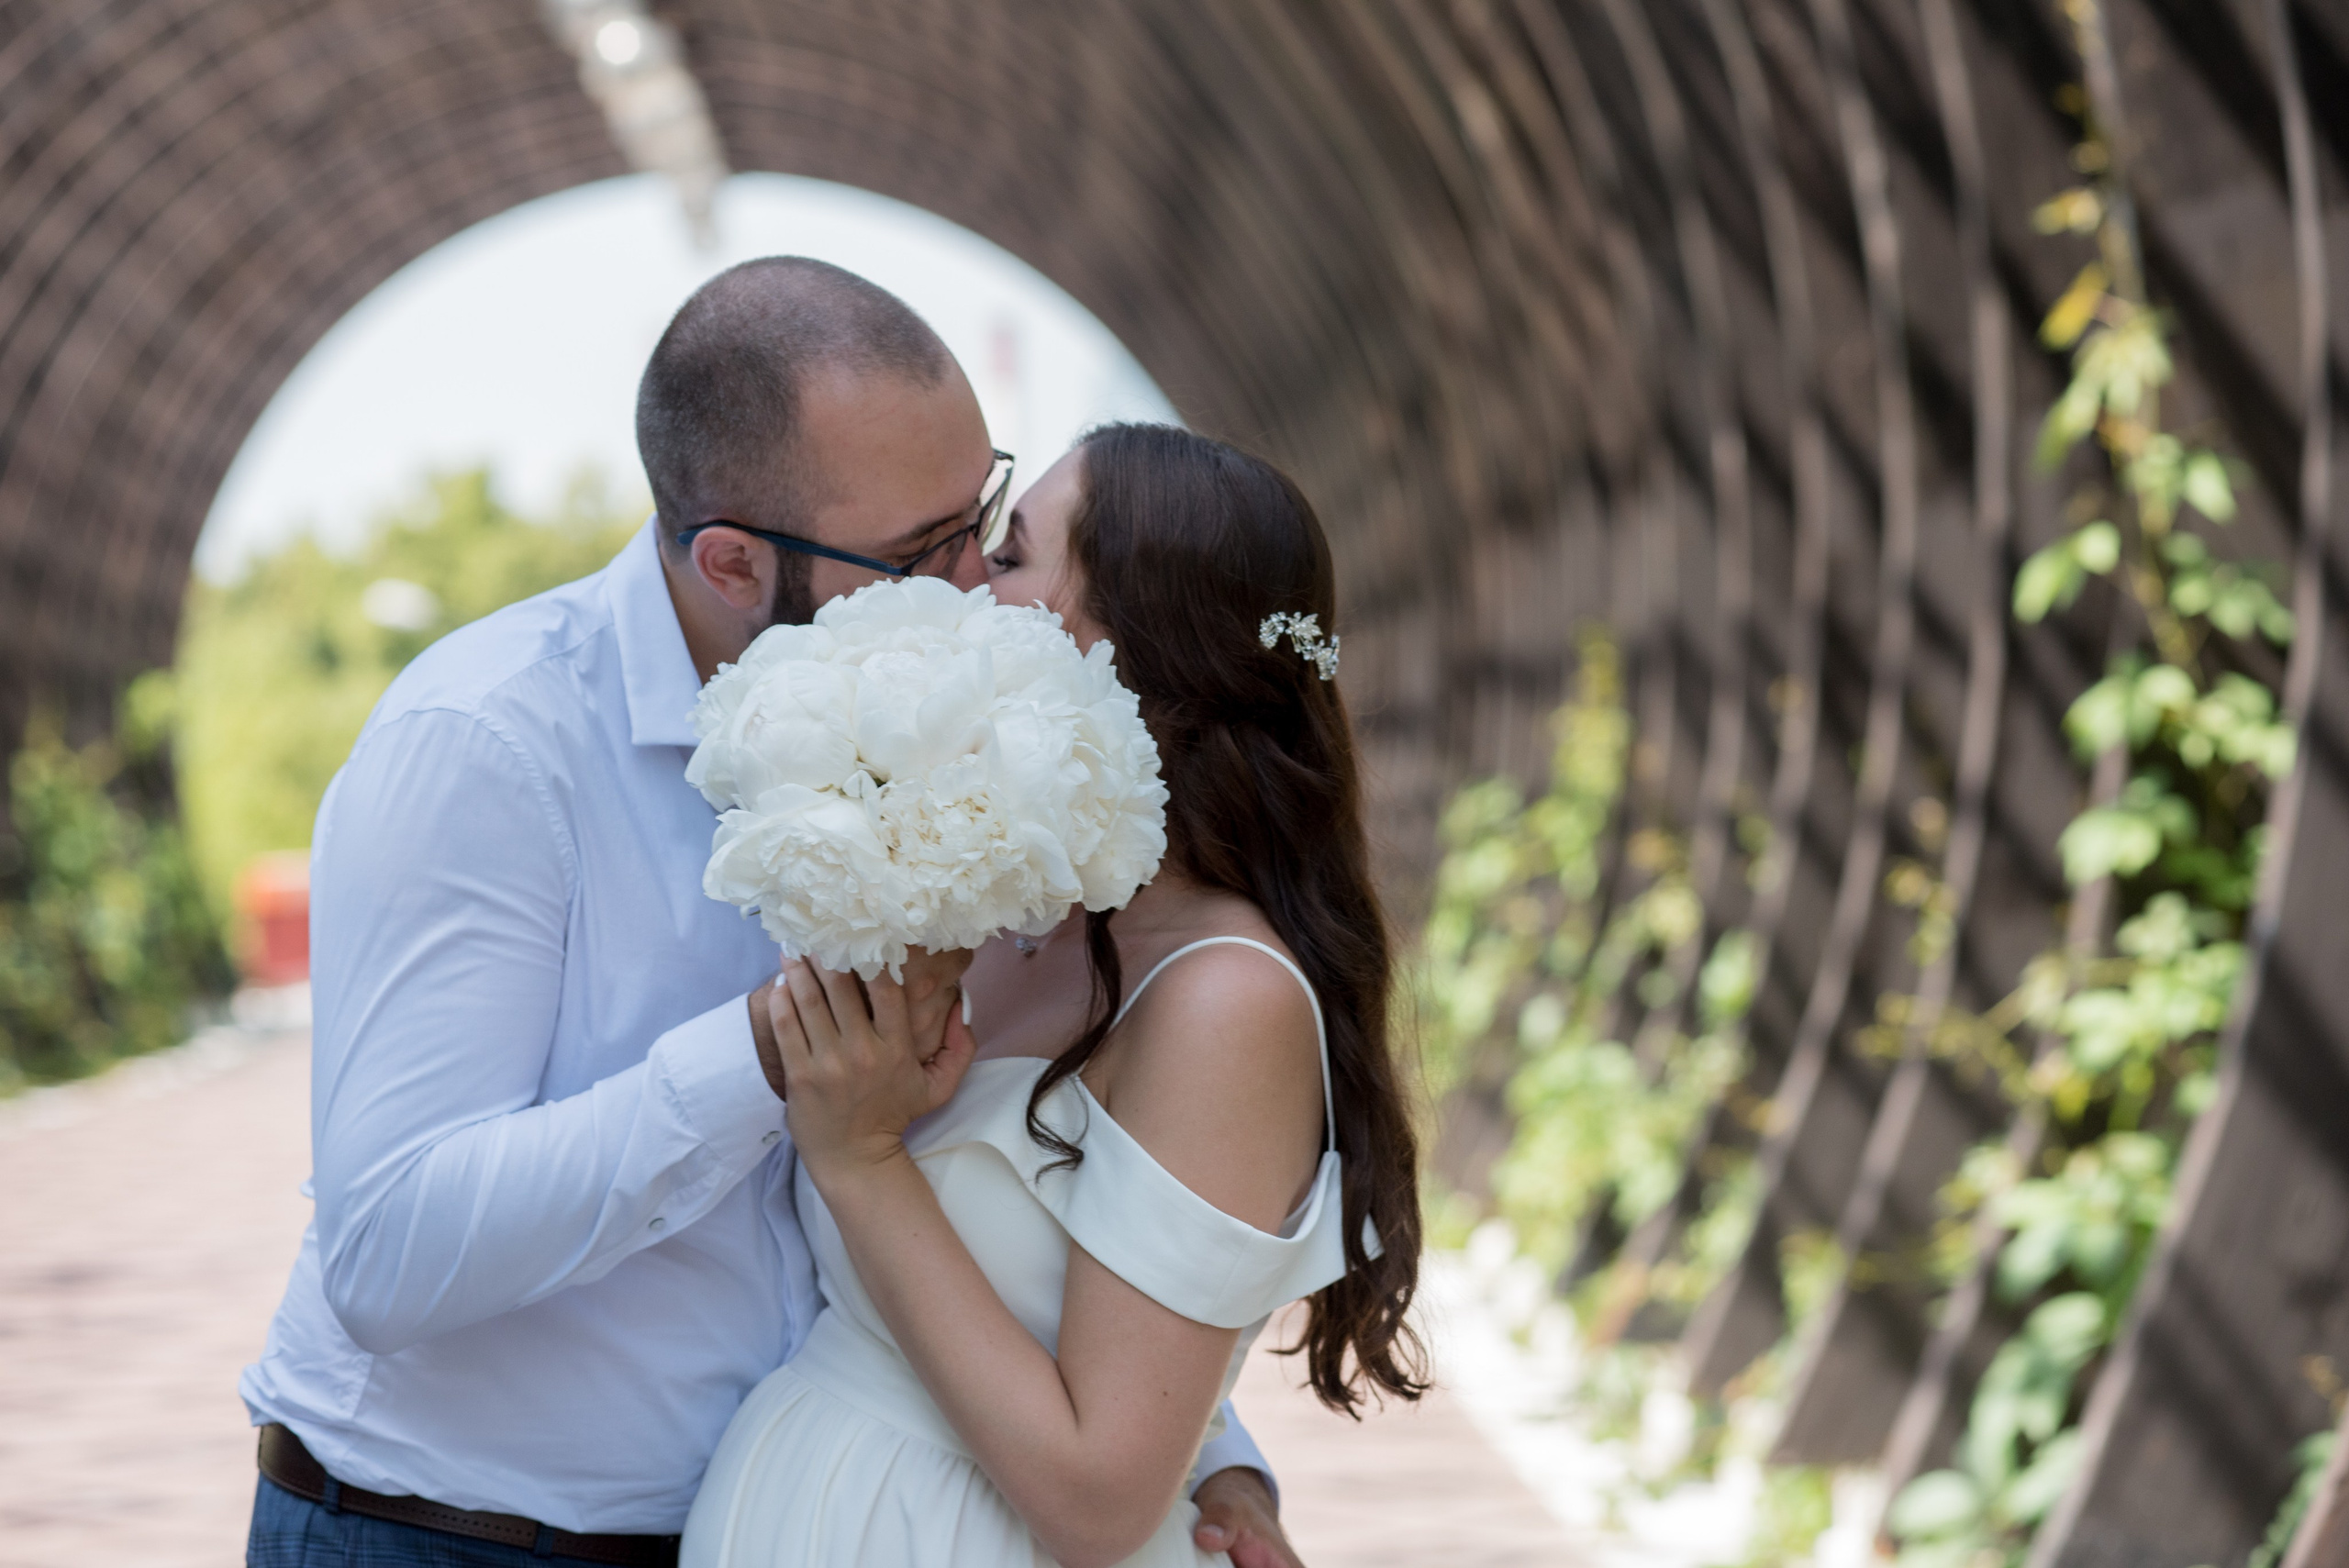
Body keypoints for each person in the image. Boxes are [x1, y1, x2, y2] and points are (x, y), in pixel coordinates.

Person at [240, 261, 1298, 1567]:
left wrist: (1213, 1448)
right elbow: (388, 1250)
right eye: (922, 552)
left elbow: (1029, 1194)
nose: (973, 583)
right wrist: (766, 1054)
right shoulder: (488, 744)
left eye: (983, 520)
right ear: (733, 561)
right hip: (451, 1534)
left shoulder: (951, 752)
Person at [682, 423, 1428, 1568]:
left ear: (1123, 647)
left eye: (1013, 554)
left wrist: (862, 1160)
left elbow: (1095, 1498)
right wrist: (1221, 1451)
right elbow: (1065, 1292)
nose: (969, 586)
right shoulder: (1008, 905)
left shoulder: (1225, 998)